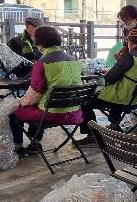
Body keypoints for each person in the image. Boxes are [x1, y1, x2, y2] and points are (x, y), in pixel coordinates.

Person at [8, 26, 83, 155]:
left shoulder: (42, 63)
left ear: (39, 44)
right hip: (74, 111)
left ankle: (18, 147)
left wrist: (20, 101)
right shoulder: (74, 61)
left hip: (52, 113)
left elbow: (34, 96)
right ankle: (35, 143)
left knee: (14, 109)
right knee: (38, 104)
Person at [78, 30, 137, 143]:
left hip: (125, 98)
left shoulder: (129, 57)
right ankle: (115, 125)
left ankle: (93, 135)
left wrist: (107, 72)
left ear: (130, 42)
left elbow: (109, 78)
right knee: (114, 95)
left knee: (86, 101)